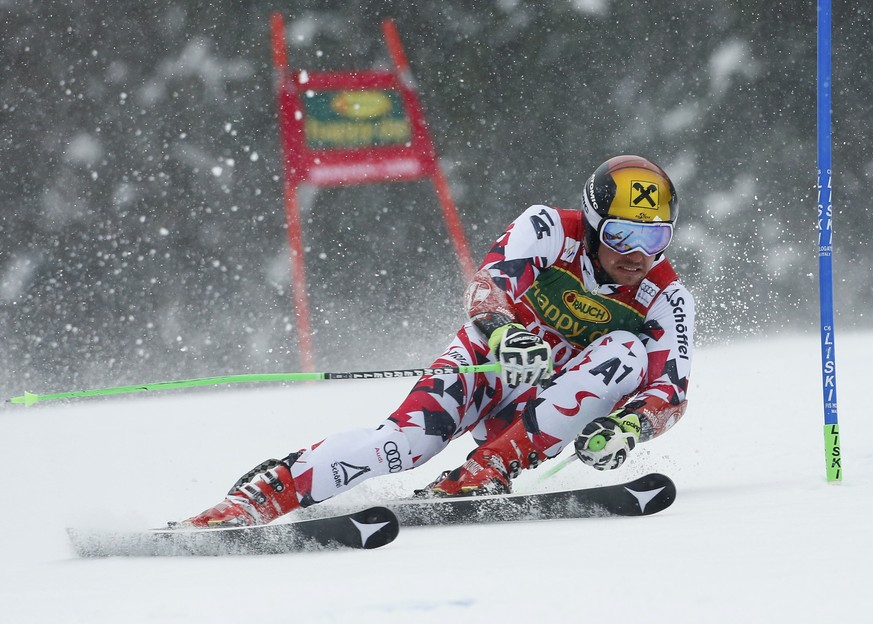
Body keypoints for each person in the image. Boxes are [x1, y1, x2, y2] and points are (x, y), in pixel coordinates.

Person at [181, 154, 695, 528]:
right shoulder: (546, 229)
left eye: (655, 239)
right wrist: (504, 333)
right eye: (622, 236)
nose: (637, 255)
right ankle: (261, 497)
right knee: (404, 444)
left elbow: (670, 394)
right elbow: (486, 288)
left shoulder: (666, 297)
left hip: (545, 408)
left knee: (625, 354)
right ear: (592, 224)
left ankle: (485, 470)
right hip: (488, 367)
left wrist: (631, 426)